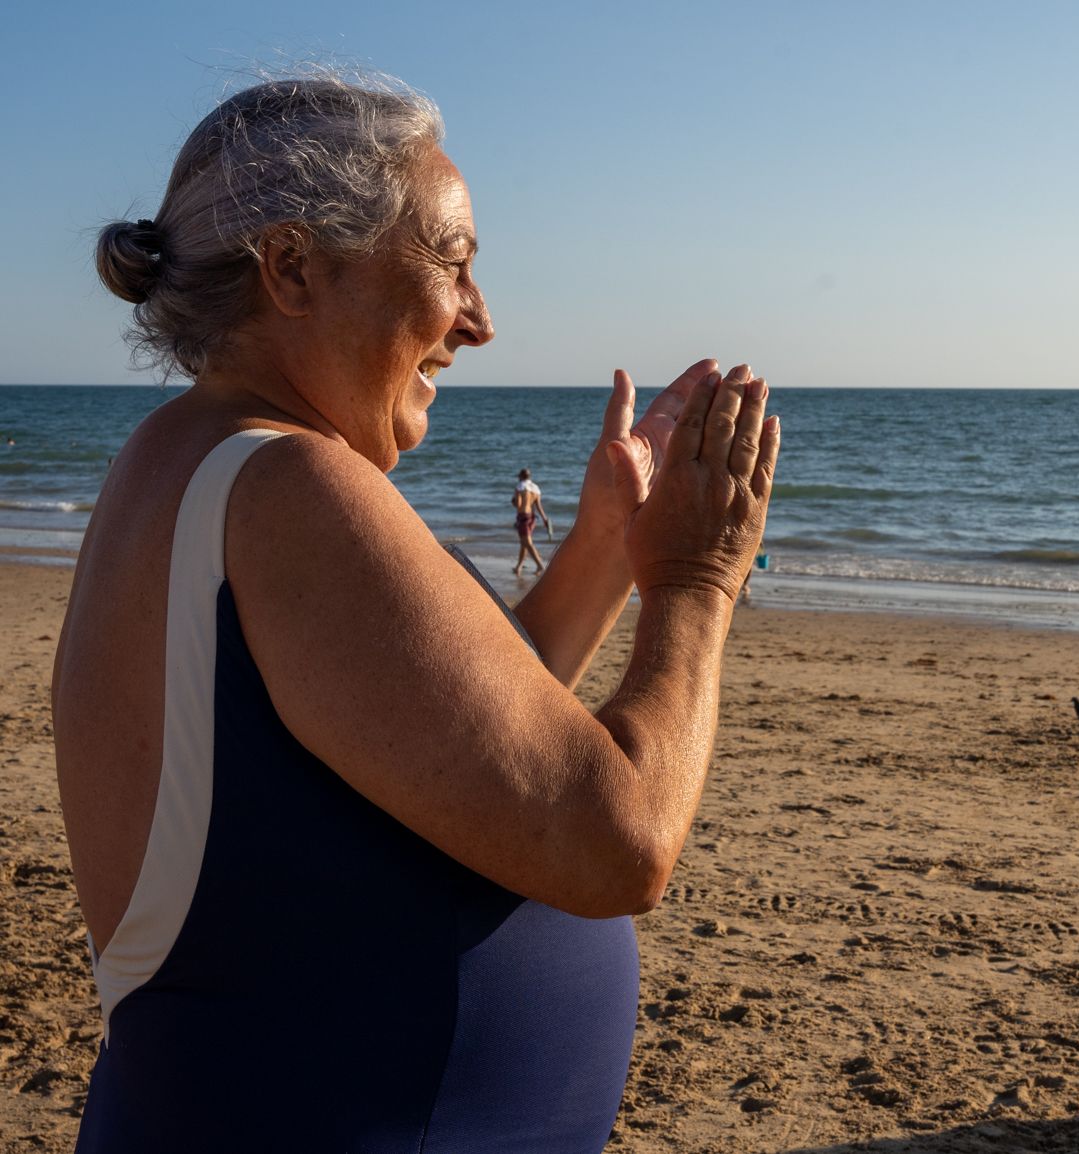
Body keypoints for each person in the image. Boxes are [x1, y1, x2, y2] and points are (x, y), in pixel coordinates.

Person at [53, 74, 779, 1152]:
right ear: (292, 269)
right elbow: (620, 841)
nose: (478, 320)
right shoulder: (288, 485)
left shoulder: (188, 456)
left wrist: (604, 545)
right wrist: (697, 580)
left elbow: (465, 737)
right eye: (452, 261)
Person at [512, 467, 551, 575]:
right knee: (523, 542)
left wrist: (513, 501)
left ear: (521, 477)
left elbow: (518, 504)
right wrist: (544, 519)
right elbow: (538, 506)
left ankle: (540, 565)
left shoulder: (520, 487)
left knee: (527, 543)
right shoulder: (535, 488)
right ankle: (519, 567)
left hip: (523, 517)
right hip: (532, 518)